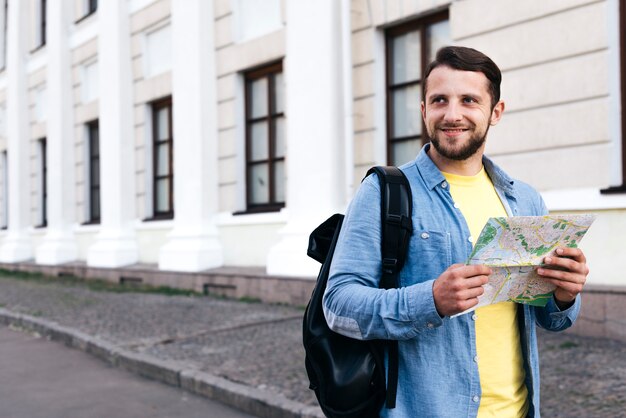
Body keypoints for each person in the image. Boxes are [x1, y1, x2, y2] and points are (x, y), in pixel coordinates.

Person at [322, 45, 589, 418]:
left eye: (468, 100)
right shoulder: (384, 192)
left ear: (495, 112)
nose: (452, 114)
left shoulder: (525, 200)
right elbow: (338, 306)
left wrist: (563, 293)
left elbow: (552, 320)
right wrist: (429, 300)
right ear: (423, 110)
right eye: (439, 100)